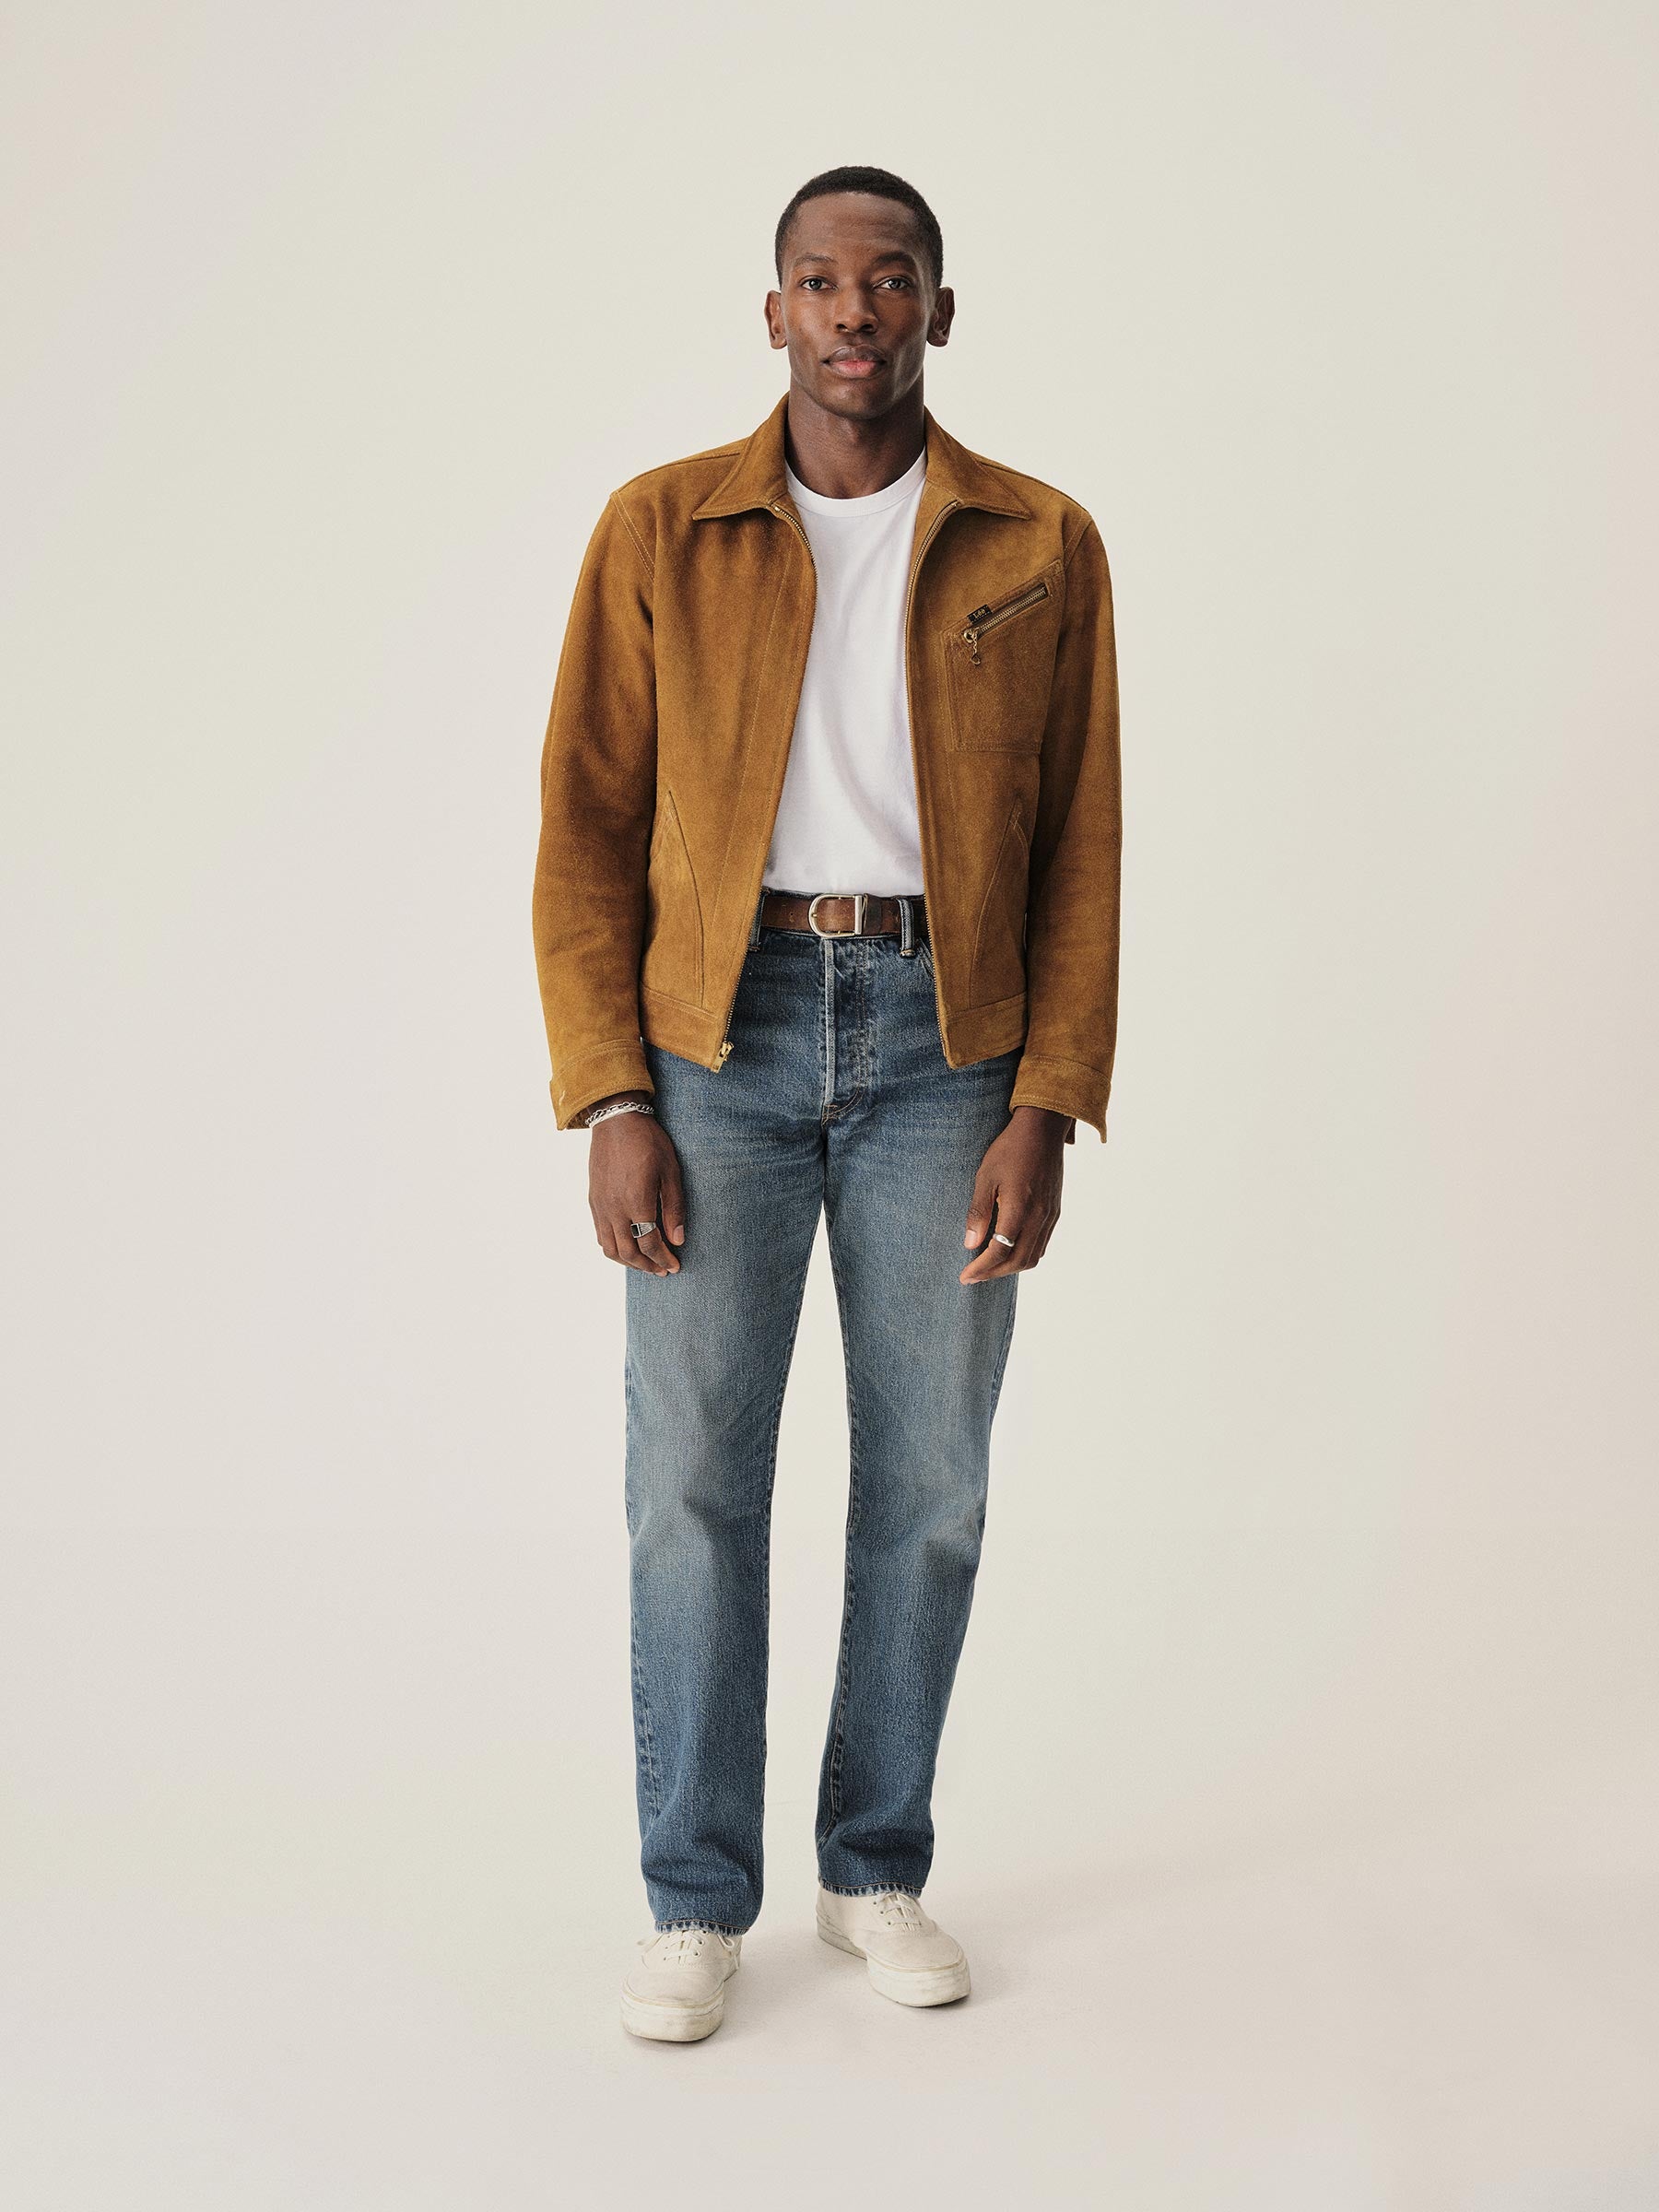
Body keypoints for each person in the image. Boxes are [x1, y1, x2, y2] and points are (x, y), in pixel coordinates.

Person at [531, 165, 1122, 2042]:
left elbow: (1085, 840)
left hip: (953, 1043)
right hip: (719, 1037)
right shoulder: (662, 528)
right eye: (818, 278)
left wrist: (1051, 1096)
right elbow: (587, 825)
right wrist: (612, 1092)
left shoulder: (1040, 539)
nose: (854, 309)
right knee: (691, 1482)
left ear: (938, 308)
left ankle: (874, 1868)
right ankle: (694, 1901)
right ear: (772, 311)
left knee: (931, 1480)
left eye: (890, 278)